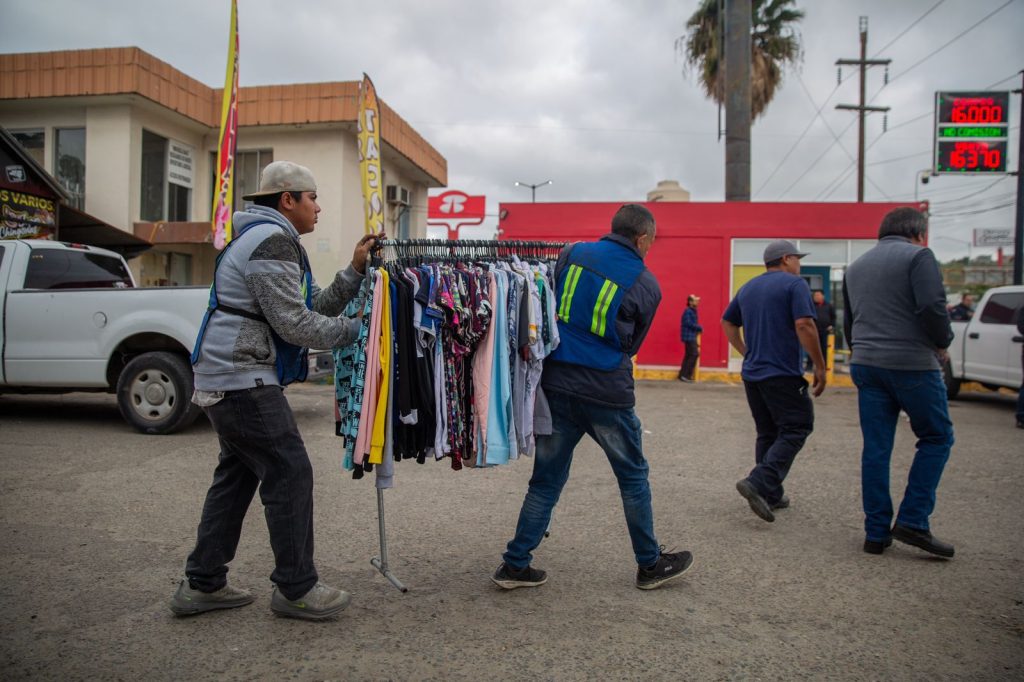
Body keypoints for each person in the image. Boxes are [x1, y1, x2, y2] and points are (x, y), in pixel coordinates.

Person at [170, 161, 382, 619]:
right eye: (313, 197)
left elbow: (308, 306)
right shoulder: (272, 240)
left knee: (236, 477)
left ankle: (202, 584)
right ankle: (296, 588)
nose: (319, 207)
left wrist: (353, 271)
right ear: (288, 200)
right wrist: (359, 331)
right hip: (242, 378)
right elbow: (296, 323)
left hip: (229, 376)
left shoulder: (267, 239)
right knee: (290, 472)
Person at [493, 204, 693, 591]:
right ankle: (649, 565)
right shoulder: (647, 283)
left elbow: (545, 305)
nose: (650, 247)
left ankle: (515, 563)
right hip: (606, 392)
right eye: (651, 240)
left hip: (557, 385)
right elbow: (631, 344)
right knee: (633, 477)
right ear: (641, 238)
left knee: (546, 481)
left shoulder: (572, 253)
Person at [843, 207, 956, 558]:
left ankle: (875, 533)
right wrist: (943, 341)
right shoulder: (919, 256)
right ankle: (913, 520)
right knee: (937, 436)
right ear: (918, 232)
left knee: (876, 448)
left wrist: (859, 350)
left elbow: (850, 320)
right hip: (911, 364)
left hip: (865, 363)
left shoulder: (856, 266)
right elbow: (932, 306)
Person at [721, 240, 826, 523]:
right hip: (781, 373)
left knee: (767, 432)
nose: (799, 264)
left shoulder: (749, 288)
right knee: (797, 426)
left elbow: (728, 322)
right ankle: (759, 481)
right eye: (797, 259)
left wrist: (746, 352)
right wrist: (820, 365)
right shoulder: (795, 285)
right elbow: (804, 325)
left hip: (753, 374)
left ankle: (771, 493)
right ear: (786, 259)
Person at [805, 289, 835, 372]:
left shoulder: (829, 306)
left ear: (823, 296)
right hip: (813, 330)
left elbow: (833, 317)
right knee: (811, 348)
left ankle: (824, 366)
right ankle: (809, 366)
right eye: (815, 296)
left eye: (818, 295)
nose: (816, 297)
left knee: (824, 348)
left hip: (825, 331)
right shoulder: (811, 306)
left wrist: (831, 326)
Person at [678, 294, 703, 382]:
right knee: (693, 354)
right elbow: (688, 323)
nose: (697, 302)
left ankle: (682, 375)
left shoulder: (692, 311)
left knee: (689, 355)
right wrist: (699, 327)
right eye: (695, 300)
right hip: (689, 336)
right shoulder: (688, 311)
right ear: (690, 302)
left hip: (691, 336)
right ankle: (686, 375)